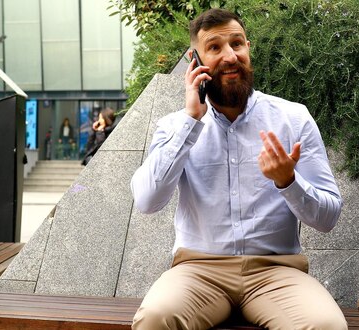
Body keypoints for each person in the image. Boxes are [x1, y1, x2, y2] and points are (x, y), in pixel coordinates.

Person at [130, 8, 347, 330]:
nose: (230, 56)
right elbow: (147, 202)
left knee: (326, 326)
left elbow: (328, 219)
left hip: (276, 271)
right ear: (195, 59)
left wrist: (288, 181)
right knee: (155, 319)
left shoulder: (293, 118)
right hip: (198, 270)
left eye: (237, 44)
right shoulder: (174, 126)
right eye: (215, 47)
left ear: (248, 47)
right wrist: (191, 121)